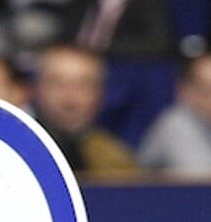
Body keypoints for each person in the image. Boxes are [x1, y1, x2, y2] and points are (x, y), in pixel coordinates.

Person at [31, 43, 138, 178]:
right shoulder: (15, 154)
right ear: (35, 89)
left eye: (83, 86)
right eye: (57, 84)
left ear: (100, 94)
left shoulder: (116, 161)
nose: (70, 98)